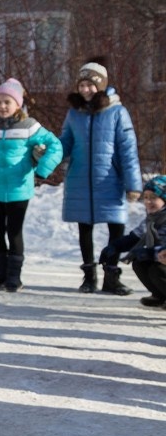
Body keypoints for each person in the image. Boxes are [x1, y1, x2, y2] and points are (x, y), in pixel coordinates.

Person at [60, 59, 142, 295]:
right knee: (84, 228)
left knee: (116, 228)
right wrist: (47, 153)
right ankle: (89, 277)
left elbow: (128, 150)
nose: (85, 90)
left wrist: (133, 184)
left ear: (101, 86)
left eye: (90, 85)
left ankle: (111, 276)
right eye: (82, 85)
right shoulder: (74, 113)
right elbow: (65, 142)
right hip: (80, 179)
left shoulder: (117, 112)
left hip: (110, 180)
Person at [0, 78, 63, 292]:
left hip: (19, 189)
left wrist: (42, 169)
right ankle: (1, 271)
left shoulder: (29, 126)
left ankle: (14, 276)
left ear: (17, 104)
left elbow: (55, 145)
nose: (3, 106)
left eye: (7, 102)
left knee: (13, 232)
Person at [99, 176, 166, 308]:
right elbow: (134, 237)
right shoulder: (152, 219)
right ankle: (161, 296)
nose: (148, 201)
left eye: (153, 197)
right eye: (145, 197)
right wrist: (114, 247)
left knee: (156, 269)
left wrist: (149, 252)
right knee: (140, 263)